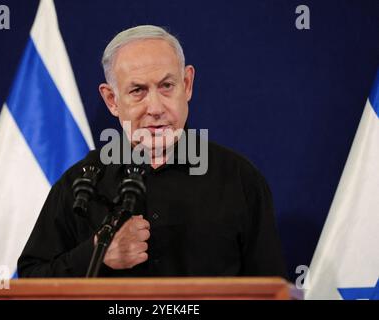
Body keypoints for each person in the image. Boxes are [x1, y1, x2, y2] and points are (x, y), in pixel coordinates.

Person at [17, 25, 287, 278]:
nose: (156, 108)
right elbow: (30, 280)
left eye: (166, 86)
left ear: (187, 84)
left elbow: (271, 288)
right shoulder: (82, 183)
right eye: (138, 90)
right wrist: (97, 253)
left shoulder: (239, 179)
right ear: (112, 100)